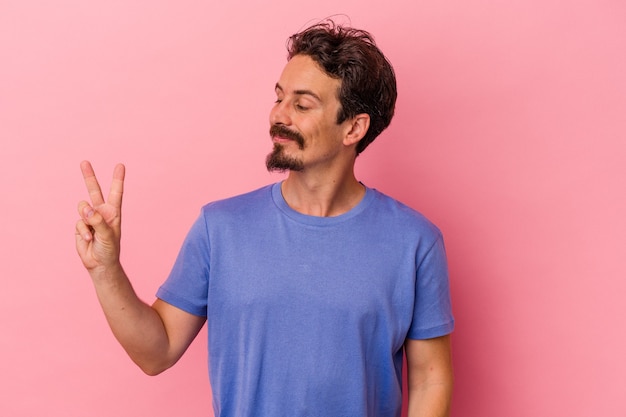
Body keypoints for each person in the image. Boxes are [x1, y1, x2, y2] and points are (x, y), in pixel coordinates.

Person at [75, 20, 454, 417]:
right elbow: (157, 352)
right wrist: (106, 270)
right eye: (279, 97)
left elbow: (431, 379)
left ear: (354, 128)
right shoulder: (219, 227)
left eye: (302, 104)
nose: (279, 115)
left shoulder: (414, 242)